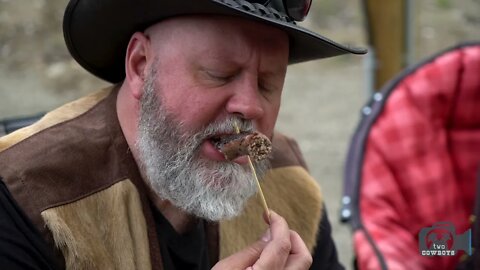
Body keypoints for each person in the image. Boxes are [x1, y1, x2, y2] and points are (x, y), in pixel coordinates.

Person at [0, 0, 365, 269]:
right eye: (220, 73)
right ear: (141, 66)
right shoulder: (26, 198)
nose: (251, 107)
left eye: (268, 83)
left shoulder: (287, 184)